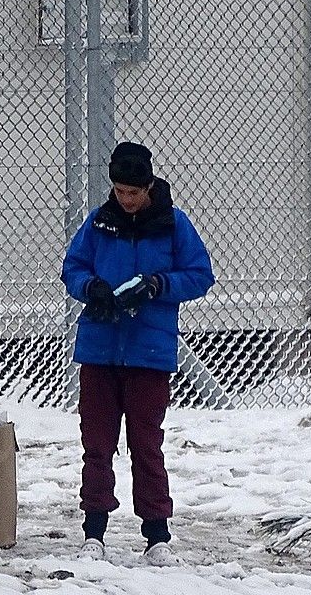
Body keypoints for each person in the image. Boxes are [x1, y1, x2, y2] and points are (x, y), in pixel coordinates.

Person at [62, 141, 214, 566]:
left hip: (148, 349)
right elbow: (73, 268)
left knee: (147, 443)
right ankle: (94, 530)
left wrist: (159, 285)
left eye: (133, 192)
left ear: (148, 187)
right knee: (97, 442)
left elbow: (200, 275)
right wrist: (91, 288)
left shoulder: (173, 225)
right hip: (100, 347)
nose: (126, 200)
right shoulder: (98, 223)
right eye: (119, 191)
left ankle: (157, 535)